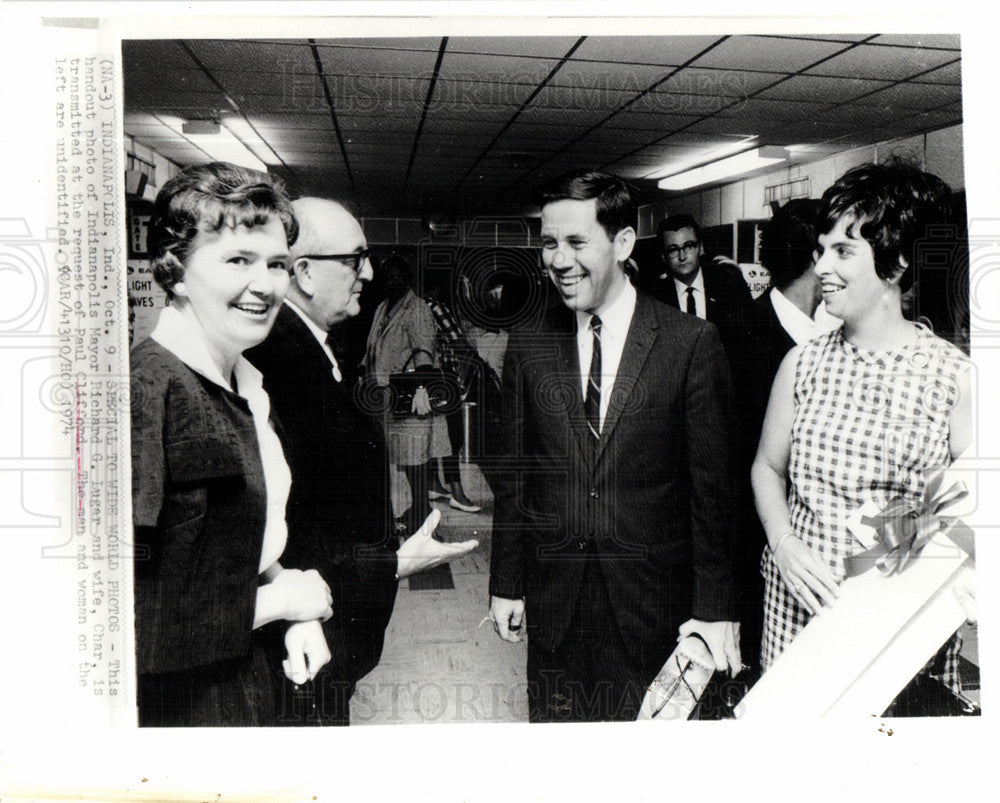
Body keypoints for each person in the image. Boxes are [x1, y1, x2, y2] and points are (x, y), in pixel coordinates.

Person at [489, 169, 741, 723]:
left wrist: (715, 609)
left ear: (623, 242)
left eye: (577, 243)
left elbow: (713, 494)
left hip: (655, 610)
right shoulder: (529, 344)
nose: (558, 260)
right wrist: (506, 583)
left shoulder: (689, 344)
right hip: (558, 607)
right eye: (549, 243)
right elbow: (516, 476)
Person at [751, 160, 973, 713]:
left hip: (892, 636)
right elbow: (766, 469)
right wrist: (784, 541)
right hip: (795, 617)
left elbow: (975, 513)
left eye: (842, 251)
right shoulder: (800, 365)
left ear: (895, 265)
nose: (821, 264)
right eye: (821, 248)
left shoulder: (952, 378)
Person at [246, 198, 476, 725]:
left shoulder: (306, 346)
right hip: (306, 638)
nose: (368, 273)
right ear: (303, 272)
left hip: (328, 625)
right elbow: (293, 527)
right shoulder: (279, 362)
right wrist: (391, 564)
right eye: (355, 259)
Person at [130, 162, 333, 727]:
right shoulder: (148, 392)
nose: (266, 284)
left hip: (243, 677)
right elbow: (118, 614)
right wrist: (280, 604)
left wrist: (285, 599)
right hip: (180, 708)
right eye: (238, 261)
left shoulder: (244, 383)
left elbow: (223, 547)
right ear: (174, 272)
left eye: (277, 265)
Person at [363, 254, 452, 535]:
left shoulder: (417, 309)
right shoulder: (383, 307)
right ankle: (419, 510)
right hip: (389, 399)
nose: (392, 281)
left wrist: (423, 389)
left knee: (416, 458)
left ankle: (423, 516)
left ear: (408, 279)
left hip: (413, 399)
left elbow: (424, 350)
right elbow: (373, 347)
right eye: (387, 276)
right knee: (405, 457)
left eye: (397, 276)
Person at [646, 213, 752, 359]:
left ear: (701, 248)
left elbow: (747, 346)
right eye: (673, 249)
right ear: (664, 256)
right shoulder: (654, 297)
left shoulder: (729, 286)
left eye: (689, 246)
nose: (682, 256)